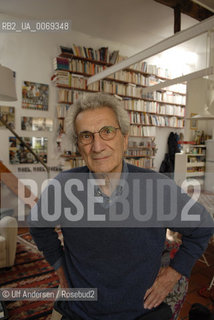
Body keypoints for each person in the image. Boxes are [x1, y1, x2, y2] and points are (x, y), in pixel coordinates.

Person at [29, 93, 214, 320]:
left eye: (107, 131)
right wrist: (59, 266)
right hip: (80, 312)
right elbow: (38, 225)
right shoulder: (64, 186)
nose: (97, 146)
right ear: (79, 146)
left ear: (124, 138)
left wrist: (174, 274)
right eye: (86, 136)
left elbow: (203, 226)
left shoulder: (156, 187)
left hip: (140, 313)